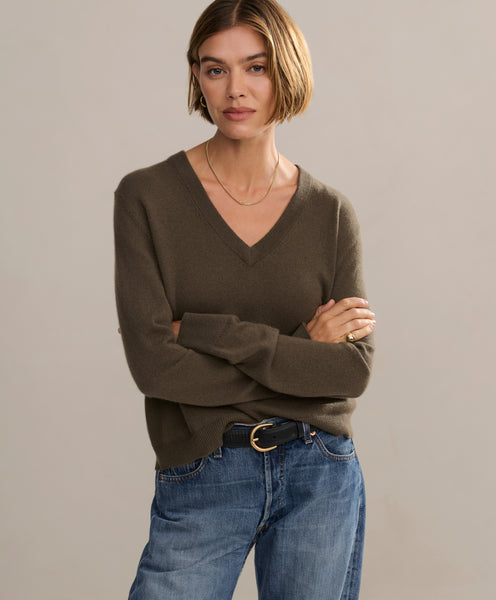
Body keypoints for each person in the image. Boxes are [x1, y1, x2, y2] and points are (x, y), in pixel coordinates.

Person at [113, 1, 376, 598]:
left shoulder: (330, 213)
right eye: (216, 69)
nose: (235, 89)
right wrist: (302, 351)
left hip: (319, 470)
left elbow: (350, 371)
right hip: (205, 469)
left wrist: (200, 331)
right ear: (197, 77)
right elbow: (153, 366)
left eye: (256, 67)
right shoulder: (146, 197)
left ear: (286, 72)